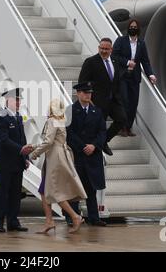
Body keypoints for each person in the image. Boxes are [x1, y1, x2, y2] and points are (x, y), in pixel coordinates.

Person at [29, 98, 87, 234]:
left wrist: (34, 154)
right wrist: (33, 146)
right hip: (59, 156)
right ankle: (49, 221)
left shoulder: (51, 121)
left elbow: (48, 142)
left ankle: (75, 216)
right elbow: (52, 141)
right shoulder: (60, 120)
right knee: (44, 190)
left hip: (55, 159)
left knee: (55, 192)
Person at [0, 88, 33, 233]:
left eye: (19, 99)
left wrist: (25, 157)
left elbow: (22, 138)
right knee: (2, 193)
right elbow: (3, 140)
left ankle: (13, 221)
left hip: (17, 162)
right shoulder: (1, 118)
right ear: (7, 100)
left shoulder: (18, 117)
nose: (18, 102)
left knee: (15, 193)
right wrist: (21, 150)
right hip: (4, 162)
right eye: (15, 99)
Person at [66, 82, 108, 227]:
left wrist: (94, 146)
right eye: (84, 92)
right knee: (75, 188)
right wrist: (82, 146)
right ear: (78, 94)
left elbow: (103, 131)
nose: (88, 95)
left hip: (93, 154)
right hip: (78, 154)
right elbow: (68, 133)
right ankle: (74, 217)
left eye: (89, 92)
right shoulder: (70, 110)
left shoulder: (97, 111)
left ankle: (94, 217)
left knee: (91, 188)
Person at [78, 37, 126, 155]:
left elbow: (116, 80)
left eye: (106, 49)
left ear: (111, 49)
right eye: (101, 48)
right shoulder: (91, 62)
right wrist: (88, 99)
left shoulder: (115, 61)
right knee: (99, 127)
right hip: (97, 102)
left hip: (113, 100)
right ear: (98, 48)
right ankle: (98, 147)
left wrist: (118, 97)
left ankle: (104, 141)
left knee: (122, 119)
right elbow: (82, 82)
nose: (103, 51)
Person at [112, 19, 157, 137]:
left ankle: (128, 127)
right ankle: (122, 127)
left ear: (138, 29)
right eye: (131, 26)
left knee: (133, 103)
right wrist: (127, 62)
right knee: (124, 101)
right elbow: (114, 55)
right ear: (128, 28)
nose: (133, 28)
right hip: (123, 76)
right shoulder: (121, 40)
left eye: (135, 26)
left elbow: (145, 61)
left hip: (134, 77)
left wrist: (151, 74)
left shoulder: (141, 43)